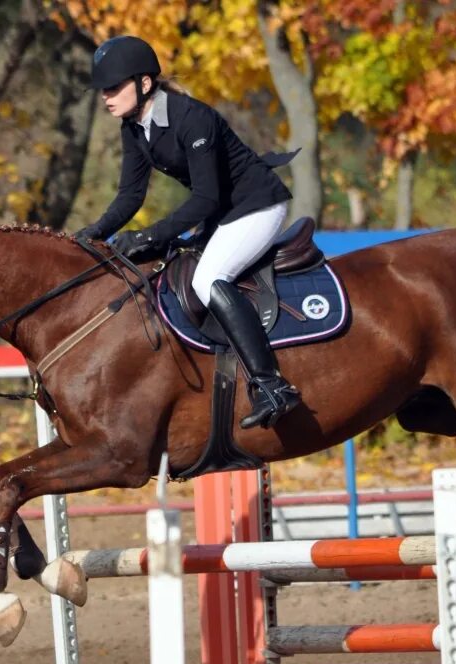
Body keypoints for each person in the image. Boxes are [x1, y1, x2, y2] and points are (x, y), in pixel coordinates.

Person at [74, 35, 301, 430]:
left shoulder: (190, 117)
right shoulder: (134, 127)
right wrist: (90, 235)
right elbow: (130, 196)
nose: (106, 97)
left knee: (208, 277)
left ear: (145, 84)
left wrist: (149, 236)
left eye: (113, 88)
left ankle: (271, 386)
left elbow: (206, 198)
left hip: (257, 205)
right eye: (103, 90)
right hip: (223, 212)